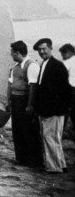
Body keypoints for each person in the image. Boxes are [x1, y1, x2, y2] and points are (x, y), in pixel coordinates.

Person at [33, 38, 72, 173]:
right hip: (47, 110)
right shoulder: (45, 64)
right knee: (53, 138)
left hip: (53, 111)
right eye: (39, 50)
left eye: (44, 49)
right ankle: (61, 164)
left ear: (51, 48)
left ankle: (54, 168)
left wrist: (58, 109)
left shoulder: (57, 66)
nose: (42, 52)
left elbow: (65, 90)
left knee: (50, 138)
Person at [5, 41, 42, 167]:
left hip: (25, 101)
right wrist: (8, 101)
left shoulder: (32, 66)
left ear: (18, 53)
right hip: (16, 101)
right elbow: (10, 85)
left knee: (29, 130)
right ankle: (21, 158)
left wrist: (30, 105)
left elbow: (33, 87)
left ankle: (33, 160)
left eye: (12, 53)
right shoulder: (15, 67)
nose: (11, 55)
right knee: (17, 129)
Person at [58, 43, 75, 135]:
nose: (63, 57)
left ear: (68, 52)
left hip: (70, 91)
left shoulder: (67, 62)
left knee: (64, 115)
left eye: (63, 55)